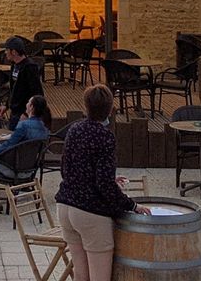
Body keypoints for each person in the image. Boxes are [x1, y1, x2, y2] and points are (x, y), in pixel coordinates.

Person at [56, 84, 149, 281]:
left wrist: (100, 178)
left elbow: (66, 169)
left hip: (65, 206)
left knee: (81, 276)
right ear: (110, 108)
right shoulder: (105, 137)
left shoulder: (74, 129)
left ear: (86, 106)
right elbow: (104, 185)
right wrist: (132, 205)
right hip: (90, 213)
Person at [0, 94, 52, 218]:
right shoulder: (44, 129)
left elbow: (9, 146)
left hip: (13, 170)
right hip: (29, 171)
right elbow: (24, 142)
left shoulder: (24, 125)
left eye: (28, 102)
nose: (26, 104)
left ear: (31, 107)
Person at [0, 36, 43, 123]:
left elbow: (37, 93)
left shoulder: (29, 67)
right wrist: (6, 105)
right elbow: (14, 89)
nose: (5, 52)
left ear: (14, 52)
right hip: (15, 111)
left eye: (7, 50)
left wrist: (26, 114)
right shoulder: (14, 65)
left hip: (25, 114)